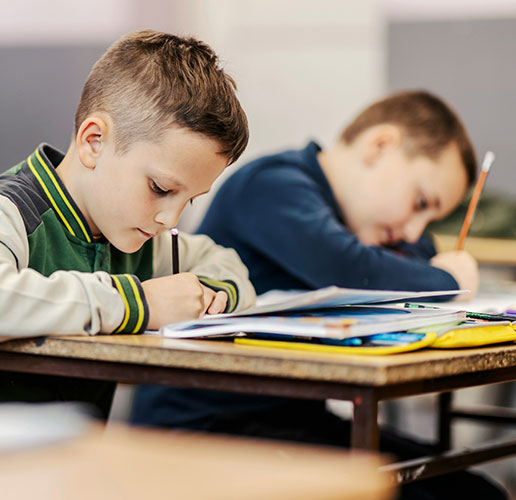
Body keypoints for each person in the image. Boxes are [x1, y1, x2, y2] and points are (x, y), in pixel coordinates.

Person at [131, 91, 506, 499]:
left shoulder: (352, 225)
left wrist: (430, 266)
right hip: (204, 429)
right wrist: (447, 279)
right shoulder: (272, 185)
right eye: (419, 202)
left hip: (289, 422)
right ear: (380, 146)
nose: (414, 230)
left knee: (474, 491)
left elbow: (417, 252)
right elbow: (351, 268)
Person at [0, 30, 256, 418]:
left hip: (56, 460)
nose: (170, 219)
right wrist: (139, 304)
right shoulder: (9, 211)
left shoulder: (139, 234)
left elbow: (229, 269)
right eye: (160, 188)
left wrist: (208, 297)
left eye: (190, 199)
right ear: (94, 142)